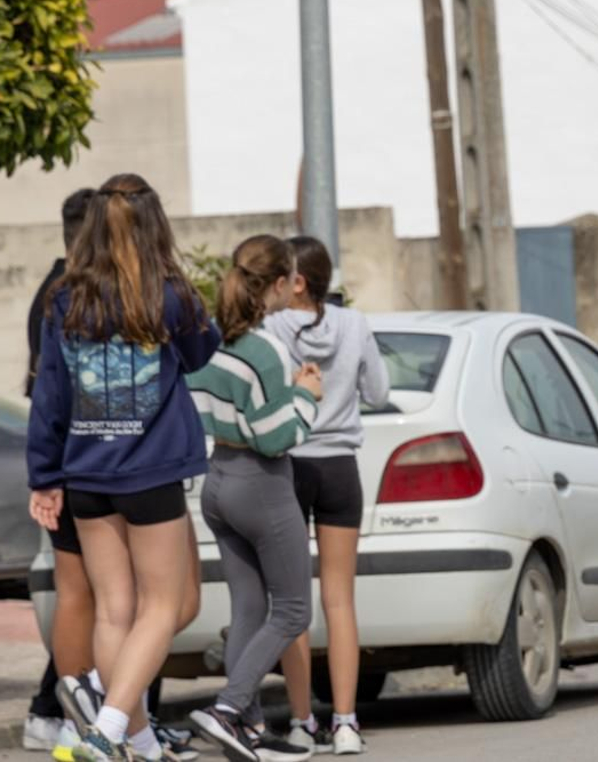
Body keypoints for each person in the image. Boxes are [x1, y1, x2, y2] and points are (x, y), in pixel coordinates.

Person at [26, 175, 223, 762]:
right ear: (153, 225)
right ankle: (110, 730)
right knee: (162, 607)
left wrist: (45, 475)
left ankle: (134, 739)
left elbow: (50, 394)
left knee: (114, 611)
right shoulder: (169, 294)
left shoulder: (65, 297)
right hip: (151, 470)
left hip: (85, 473)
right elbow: (201, 354)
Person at [186, 235, 322, 762]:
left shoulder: (215, 340)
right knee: (292, 611)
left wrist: (286, 394)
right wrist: (307, 399)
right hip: (262, 483)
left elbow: (214, 406)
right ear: (284, 283)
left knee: (247, 608)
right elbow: (274, 437)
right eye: (292, 278)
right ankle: (226, 710)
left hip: (218, 479)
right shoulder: (266, 348)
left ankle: (247, 728)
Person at [269, 236, 388, 756]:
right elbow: (379, 393)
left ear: (294, 281)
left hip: (288, 465)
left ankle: (299, 722)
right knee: (339, 599)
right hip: (341, 467)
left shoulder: (269, 327)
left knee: (291, 601)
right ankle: (345, 722)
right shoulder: (355, 324)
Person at [22, 189, 94, 755]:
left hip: (65, 461)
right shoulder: (69, 296)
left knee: (87, 598)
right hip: (82, 463)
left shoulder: (55, 292)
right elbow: (52, 393)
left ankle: (74, 716)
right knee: (95, 598)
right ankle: (68, 713)